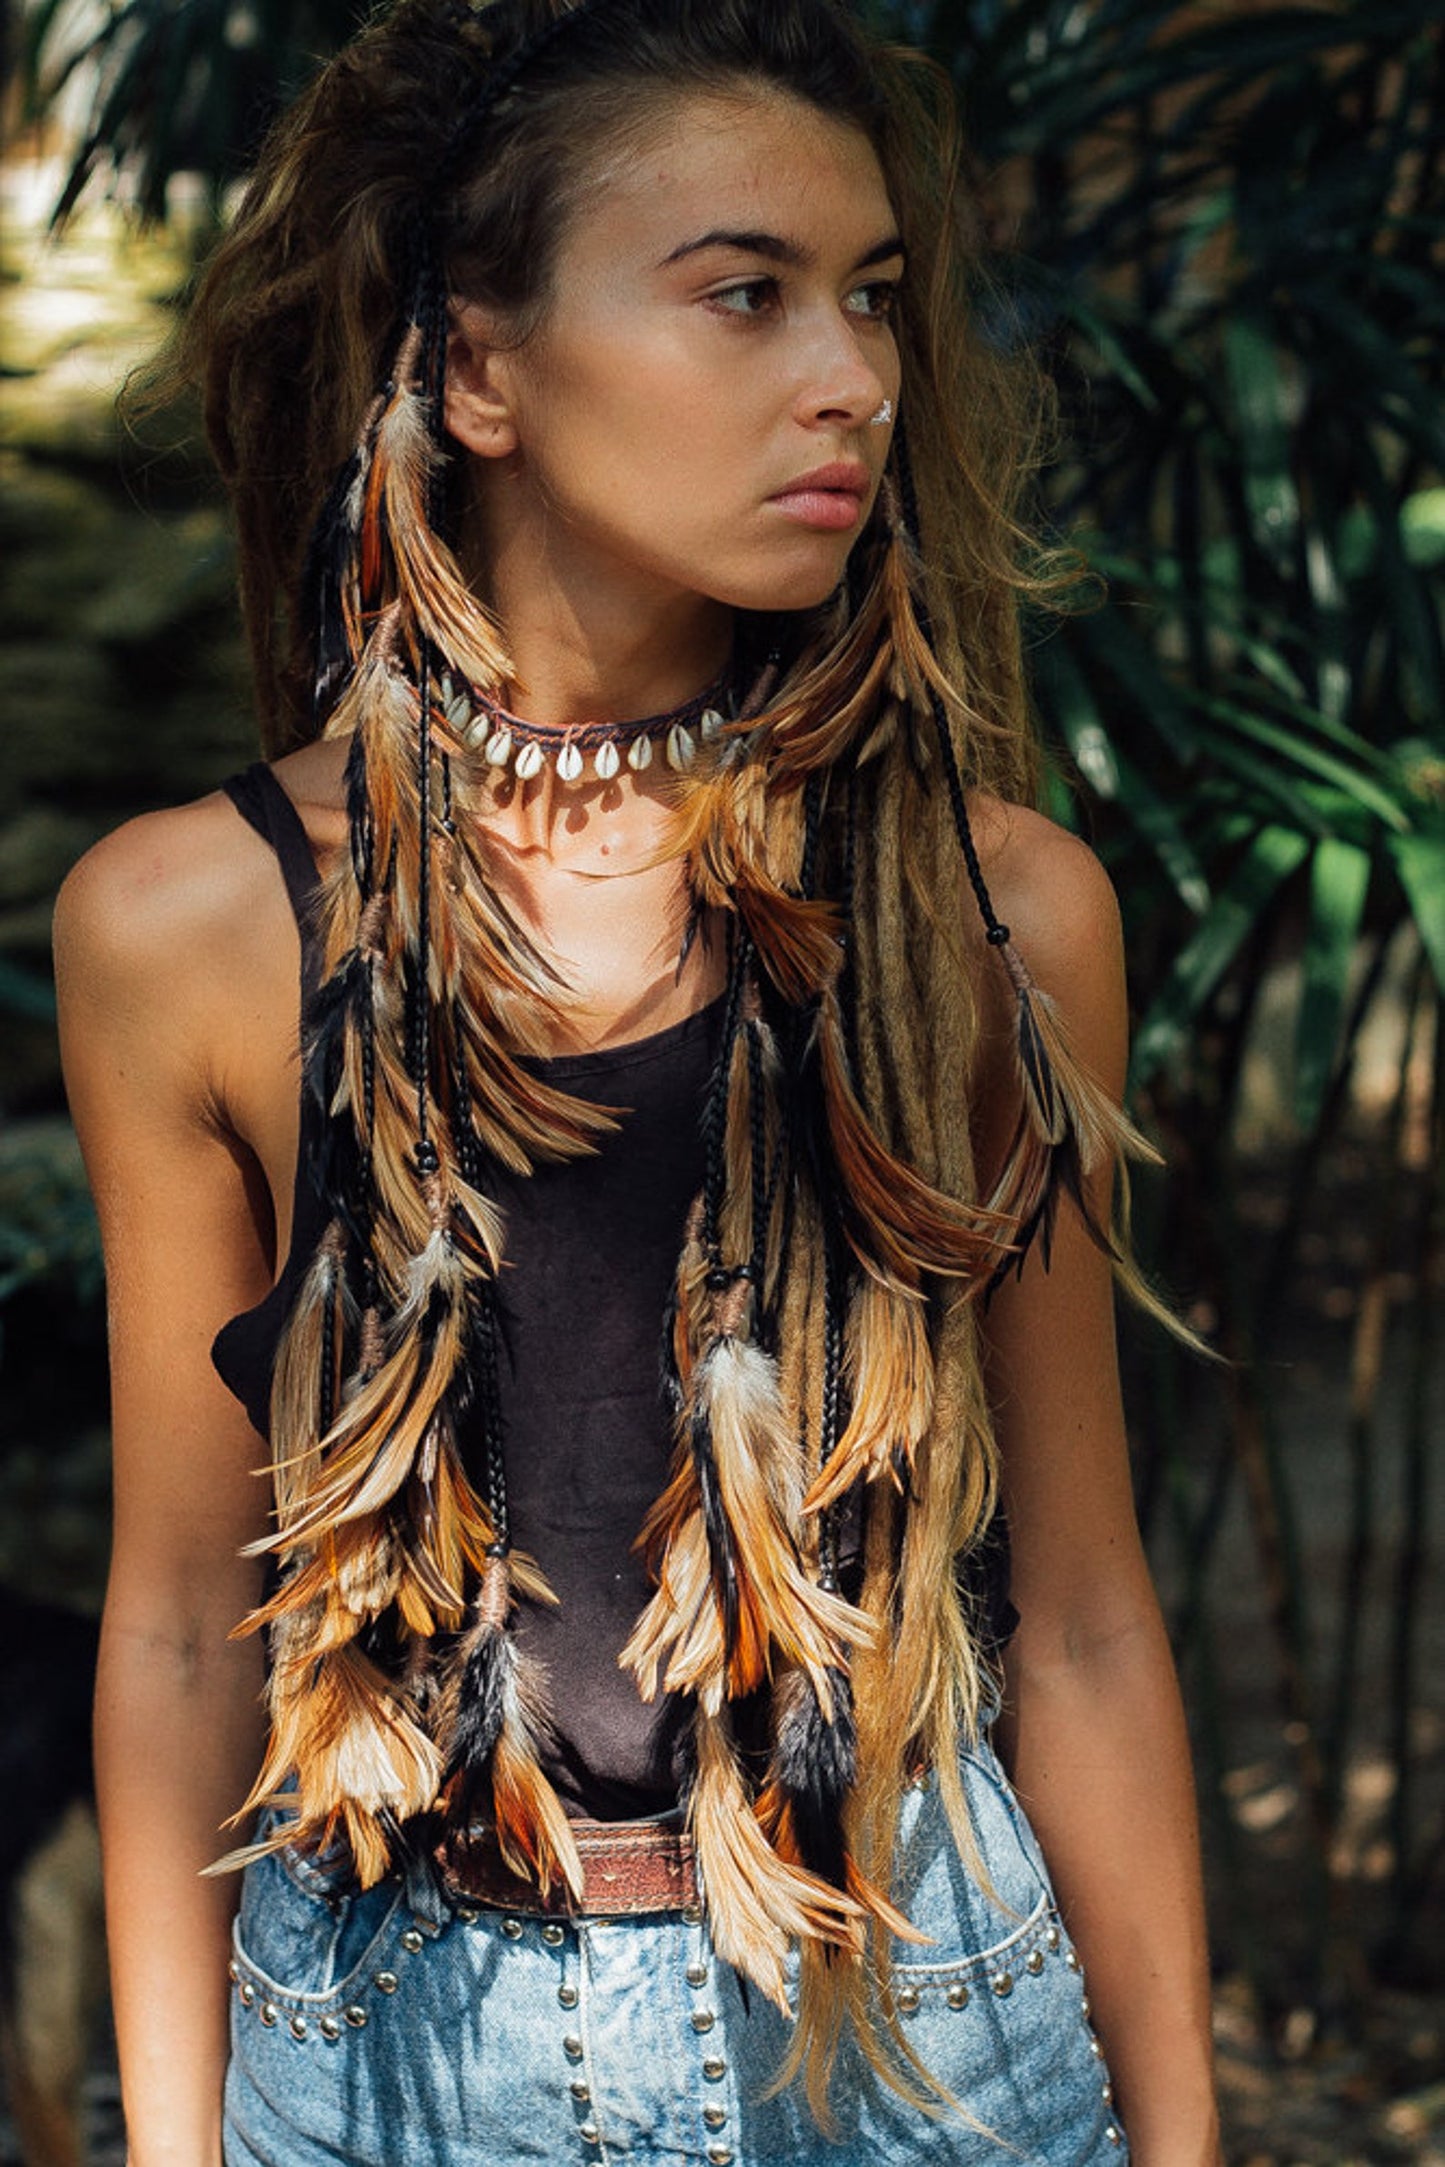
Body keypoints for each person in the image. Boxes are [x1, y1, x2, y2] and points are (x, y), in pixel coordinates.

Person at [53, 0, 1222, 2160]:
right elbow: (181, 1631)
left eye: (874, 297)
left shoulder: (987, 912)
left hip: (920, 2024)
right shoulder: (190, 926)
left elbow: (1075, 1615)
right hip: (394, 2059)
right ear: (477, 372)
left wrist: (1184, 2143)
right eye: (745, 293)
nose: (852, 374)